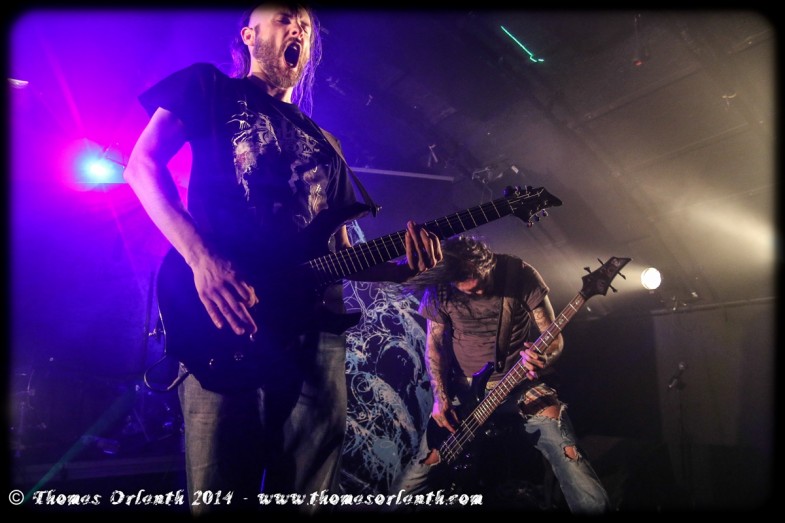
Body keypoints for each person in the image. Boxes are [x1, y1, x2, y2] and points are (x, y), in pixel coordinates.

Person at [123, 2, 442, 514]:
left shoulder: (328, 145)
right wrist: (202, 259)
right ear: (248, 35)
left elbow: (343, 255)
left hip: (314, 334)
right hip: (230, 314)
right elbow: (142, 166)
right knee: (221, 493)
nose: (298, 27)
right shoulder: (208, 87)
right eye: (284, 17)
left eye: (306, 25)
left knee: (306, 496)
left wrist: (405, 268)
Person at [389, 236, 611, 514]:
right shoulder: (440, 285)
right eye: (469, 291)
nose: (479, 292)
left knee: (566, 449)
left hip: (520, 383)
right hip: (466, 392)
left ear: (488, 264)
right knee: (417, 475)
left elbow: (554, 339)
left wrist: (544, 358)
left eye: (482, 284)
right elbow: (434, 345)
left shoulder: (521, 275)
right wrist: (440, 397)